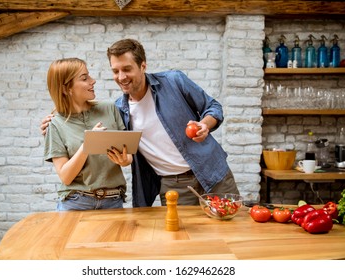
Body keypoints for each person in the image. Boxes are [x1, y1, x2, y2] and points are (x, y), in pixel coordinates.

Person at [42, 40, 239, 207]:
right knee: (184, 244)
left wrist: (205, 124)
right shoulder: (118, 110)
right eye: (115, 71)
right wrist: (55, 117)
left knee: (231, 230)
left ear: (143, 66)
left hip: (213, 172)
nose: (121, 77)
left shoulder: (174, 81)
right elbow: (85, 111)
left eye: (127, 69)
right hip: (173, 186)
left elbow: (213, 107)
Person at [44, 58, 132, 211]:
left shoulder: (110, 109)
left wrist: (124, 160)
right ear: (66, 89)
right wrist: (88, 144)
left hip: (113, 201)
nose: (93, 81)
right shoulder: (55, 124)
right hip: (75, 203)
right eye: (85, 78)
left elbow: (128, 156)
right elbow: (66, 176)